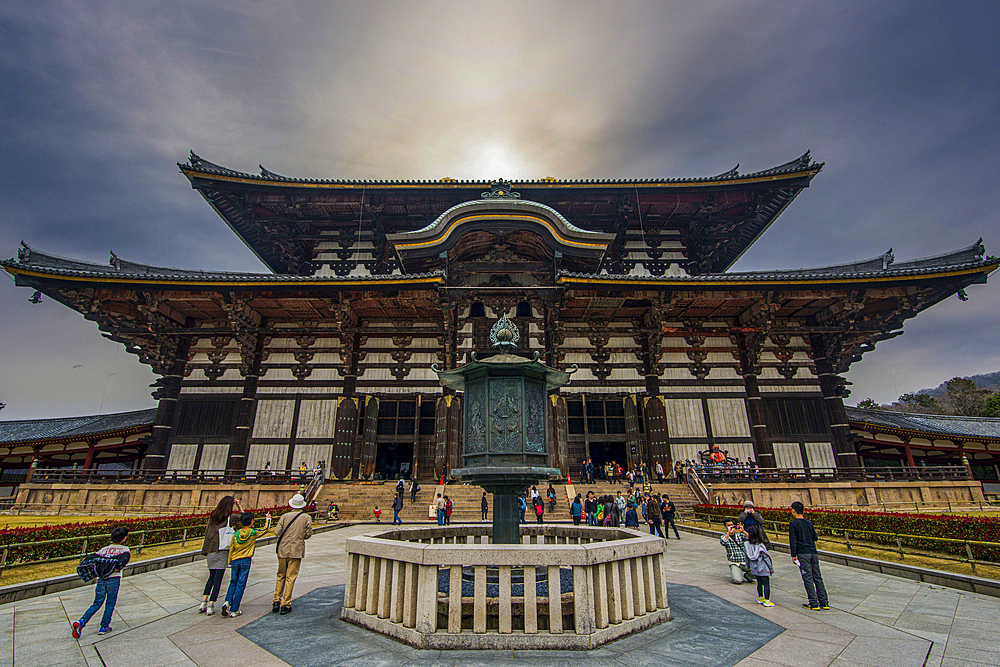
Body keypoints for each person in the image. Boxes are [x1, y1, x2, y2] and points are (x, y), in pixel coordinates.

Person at [72, 526, 130, 638]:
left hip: (101, 580)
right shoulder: (124, 550)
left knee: (97, 603)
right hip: (113, 579)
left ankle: (81, 622)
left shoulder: (104, 550)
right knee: (110, 603)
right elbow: (120, 564)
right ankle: (104, 626)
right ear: (124, 538)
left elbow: (92, 560)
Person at [222, 510, 272, 618]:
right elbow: (265, 529)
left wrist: (229, 561)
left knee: (232, 582)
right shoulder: (253, 533)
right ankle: (234, 609)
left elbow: (232, 548)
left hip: (235, 560)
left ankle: (227, 601)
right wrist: (268, 519)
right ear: (251, 522)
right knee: (241, 585)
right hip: (245, 560)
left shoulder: (236, 534)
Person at [198, 495, 242, 616]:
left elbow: (207, 532)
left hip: (211, 550)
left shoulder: (212, 517)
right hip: (222, 550)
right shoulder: (229, 518)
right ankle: (211, 605)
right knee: (218, 579)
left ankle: (203, 602)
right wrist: (239, 505)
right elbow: (244, 518)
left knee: (211, 577)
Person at [273, 494, 313, 615]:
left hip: (283, 549)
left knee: (280, 574)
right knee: (291, 577)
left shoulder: (284, 516)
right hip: (296, 550)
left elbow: (277, 532)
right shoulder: (306, 517)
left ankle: (276, 600)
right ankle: (285, 603)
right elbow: (308, 533)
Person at [789, 501, 829, 610]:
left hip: (803, 553)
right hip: (813, 552)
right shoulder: (809, 523)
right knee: (817, 577)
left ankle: (813, 602)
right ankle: (824, 601)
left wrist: (793, 555)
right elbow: (815, 538)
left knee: (807, 577)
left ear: (793, 510)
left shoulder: (793, 524)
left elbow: (793, 541)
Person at [744, 524, 774, 607]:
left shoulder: (747, 545)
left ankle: (760, 597)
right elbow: (766, 557)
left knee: (759, 583)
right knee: (766, 584)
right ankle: (767, 600)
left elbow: (747, 557)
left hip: (754, 568)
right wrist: (771, 568)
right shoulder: (760, 546)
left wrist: (748, 566)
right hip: (763, 568)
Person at [720, 519, 754, 584]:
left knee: (758, 570)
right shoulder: (724, 537)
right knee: (737, 581)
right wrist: (728, 534)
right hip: (734, 562)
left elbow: (751, 539)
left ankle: (748, 576)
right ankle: (737, 574)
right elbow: (723, 542)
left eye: (732, 525)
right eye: (729, 525)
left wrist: (743, 531)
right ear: (725, 527)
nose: (731, 527)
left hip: (744, 561)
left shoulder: (739, 535)